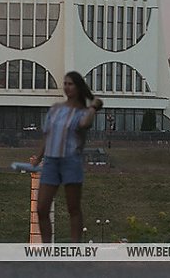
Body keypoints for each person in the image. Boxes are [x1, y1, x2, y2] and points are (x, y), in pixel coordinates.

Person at [29, 71, 103, 243]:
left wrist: (93, 107)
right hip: (51, 162)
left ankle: (74, 249)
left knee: (73, 208)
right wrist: (38, 158)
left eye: (71, 84)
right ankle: (47, 250)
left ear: (78, 87)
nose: (67, 87)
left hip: (70, 161)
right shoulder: (56, 109)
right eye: (65, 83)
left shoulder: (82, 112)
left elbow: (85, 124)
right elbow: (48, 135)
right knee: (41, 208)